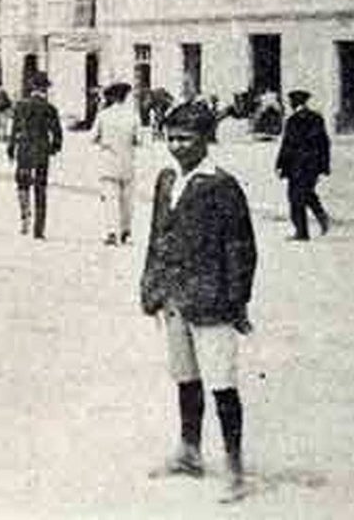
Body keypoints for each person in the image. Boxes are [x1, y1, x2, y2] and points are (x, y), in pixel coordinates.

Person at [140, 100, 258, 504]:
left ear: (206, 139)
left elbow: (240, 247)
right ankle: (189, 451)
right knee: (185, 377)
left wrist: (237, 301)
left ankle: (235, 468)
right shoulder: (166, 180)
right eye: (171, 138)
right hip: (173, 297)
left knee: (221, 382)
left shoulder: (222, 186)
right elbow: (157, 238)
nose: (177, 146)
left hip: (211, 300)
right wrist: (150, 286)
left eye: (186, 138)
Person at [6, 72, 62, 240]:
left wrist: (11, 148)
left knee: (22, 184)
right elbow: (57, 134)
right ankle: (39, 229)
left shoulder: (20, 106)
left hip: (24, 150)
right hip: (41, 151)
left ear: (32, 88)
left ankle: (25, 215)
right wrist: (54, 148)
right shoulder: (50, 108)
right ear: (45, 89)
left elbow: (15, 130)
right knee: (40, 188)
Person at [276, 89, 331, 241]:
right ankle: (322, 218)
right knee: (307, 194)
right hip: (311, 166)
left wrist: (280, 164)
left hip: (296, 167)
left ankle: (302, 232)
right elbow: (324, 143)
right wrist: (324, 166)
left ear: (295, 102)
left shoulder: (293, 120)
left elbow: (287, 145)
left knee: (295, 198)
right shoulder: (316, 118)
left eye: (291, 102)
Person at [91, 82, 140, 246]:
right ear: (126, 97)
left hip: (108, 163)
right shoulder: (132, 115)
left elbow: (92, 137)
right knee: (127, 201)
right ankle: (126, 232)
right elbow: (138, 140)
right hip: (127, 162)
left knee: (110, 199)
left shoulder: (103, 115)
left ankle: (112, 232)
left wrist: (104, 141)